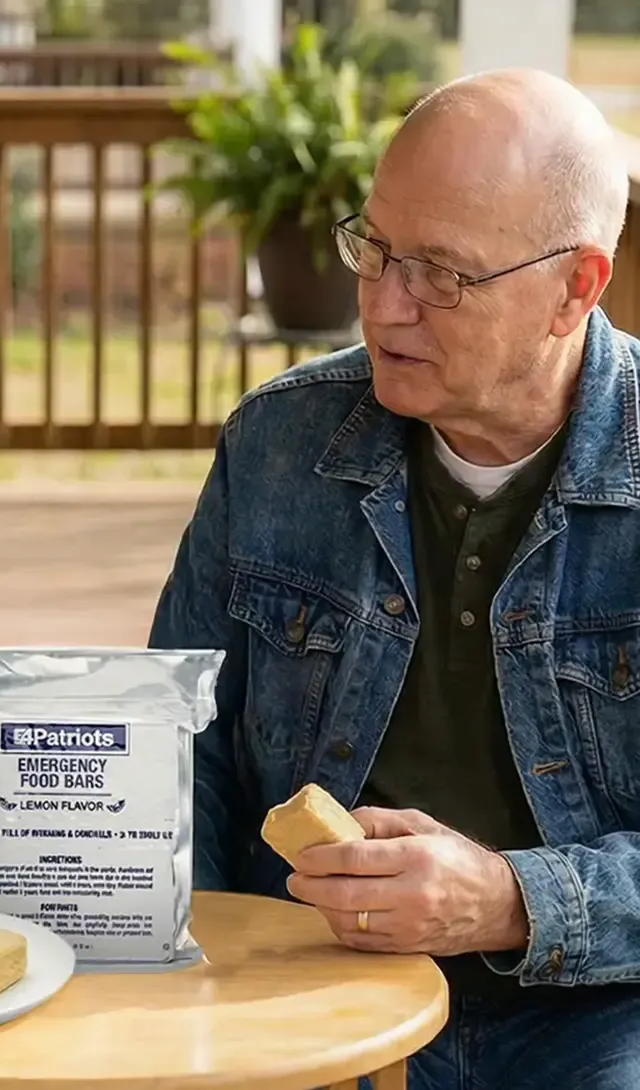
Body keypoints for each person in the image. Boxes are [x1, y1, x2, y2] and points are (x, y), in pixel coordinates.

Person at [149, 68, 640, 1089]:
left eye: (441, 273)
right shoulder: (277, 441)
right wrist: (178, 977)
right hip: (293, 982)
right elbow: (174, 747)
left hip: (594, 1011)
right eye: (372, 247)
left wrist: (510, 897)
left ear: (576, 288)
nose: (380, 304)